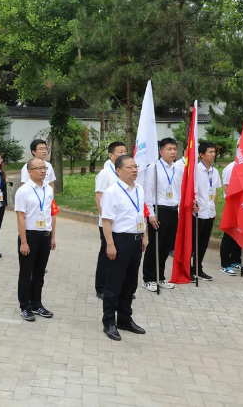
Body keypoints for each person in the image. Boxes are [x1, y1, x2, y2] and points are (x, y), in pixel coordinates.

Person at [100, 154, 148, 341]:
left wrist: (144, 235)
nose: (134, 170)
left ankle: (125, 319)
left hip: (136, 240)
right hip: (120, 240)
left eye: (135, 166)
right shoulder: (112, 192)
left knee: (130, 282)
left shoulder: (139, 189)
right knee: (114, 283)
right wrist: (110, 244)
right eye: (130, 167)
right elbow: (106, 221)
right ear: (119, 170)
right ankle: (109, 322)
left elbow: (141, 214)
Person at [15, 157, 57, 321]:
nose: (43, 171)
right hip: (30, 235)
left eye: (44, 168)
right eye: (38, 168)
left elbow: (52, 214)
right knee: (26, 273)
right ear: (29, 172)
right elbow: (20, 217)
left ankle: (36, 303)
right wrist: (24, 242)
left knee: (39, 273)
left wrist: (52, 236)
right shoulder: (23, 191)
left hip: (45, 235)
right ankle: (25, 306)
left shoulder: (48, 190)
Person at [141, 138, 182, 292]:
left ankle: (160, 276)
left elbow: (178, 191)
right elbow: (148, 193)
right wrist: (151, 214)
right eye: (169, 149)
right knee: (155, 245)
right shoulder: (154, 168)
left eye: (174, 149)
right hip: (159, 211)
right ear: (161, 151)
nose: (173, 152)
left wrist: (178, 210)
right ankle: (148, 278)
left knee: (166, 246)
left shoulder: (177, 168)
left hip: (173, 210)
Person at [94, 141, 127, 299]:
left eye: (125, 151)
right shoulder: (105, 174)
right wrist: (106, 219)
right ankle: (101, 287)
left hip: (123, 224)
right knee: (106, 254)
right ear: (111, 155)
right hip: (108, 223)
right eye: (120, 152)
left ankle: (118, 287)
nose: (123, 154)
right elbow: (99, 198)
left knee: (121, 256)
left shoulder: (125, 174)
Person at [219, 141, 243, 275]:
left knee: (242, 233)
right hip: (235, 206)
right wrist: (234, 206)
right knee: (230, 234)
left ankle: (236, 260)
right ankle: (225, 264)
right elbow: (226, 187)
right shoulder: (231, 168)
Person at [192, 142, 221, 282]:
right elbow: (191, 190)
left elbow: (215, 191)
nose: (213, 154)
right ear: (201, 154)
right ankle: (189, 269)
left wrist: (214, 209)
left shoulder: (215, 171)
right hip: (198, 212)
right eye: (210, 152)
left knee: (203, 243)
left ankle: (198, 268)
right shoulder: (195, 170)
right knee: (194, 243)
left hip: (209, 212)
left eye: (214, 152)